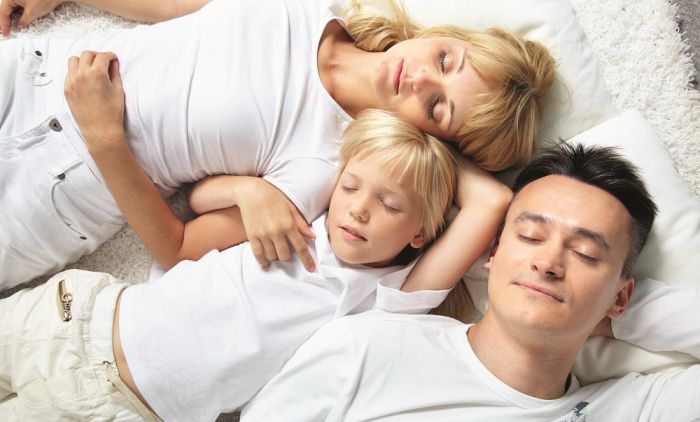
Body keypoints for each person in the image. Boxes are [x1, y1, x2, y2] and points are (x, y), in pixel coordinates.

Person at [0, 0, 556, 290]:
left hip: (61, 194)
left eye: (437, 107)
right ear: (446, 36)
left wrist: (105, 139)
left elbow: (177, 249)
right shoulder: (308, 7)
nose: (419, 79)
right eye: (445, 60)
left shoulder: (329, 166)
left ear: (433, 138)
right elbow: (174, 8)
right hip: (36, 75)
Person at [0, 109, 514, 421]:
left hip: (117, 406)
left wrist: (426, 146)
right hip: (77, 316)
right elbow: (198, 198)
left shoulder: (387, 298)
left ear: (421, 233)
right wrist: (250, 192)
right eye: (352, 186)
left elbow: (491, 200)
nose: (359, 208)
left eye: (390, 204)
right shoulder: (303, 214)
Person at [240, 144, 700, 421]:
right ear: (493, 254)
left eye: (585, 253)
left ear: (622, 296)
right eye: (530, 236)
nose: (548, 262)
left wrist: (613, 312)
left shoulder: (634, 409)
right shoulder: (365, 347)